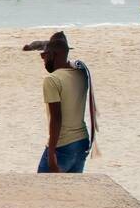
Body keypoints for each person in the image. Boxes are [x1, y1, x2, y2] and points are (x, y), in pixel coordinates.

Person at [37, 31, 96, 174]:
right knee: (71, 194)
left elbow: (56, 118)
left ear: (53, 54)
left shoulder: (52, 80)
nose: (43, 60)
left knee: (42, 191)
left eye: (44, 55)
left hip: (62, 146)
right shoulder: (81, 74)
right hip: (82, 142)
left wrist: (51, 153)